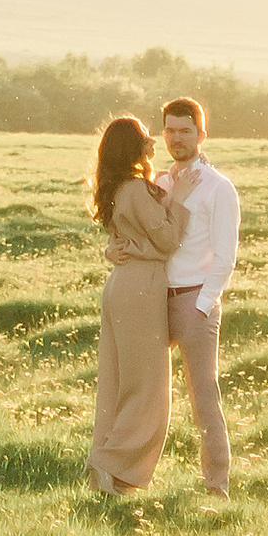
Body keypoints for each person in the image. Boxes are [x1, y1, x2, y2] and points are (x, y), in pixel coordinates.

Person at [87, 112, 188, 491]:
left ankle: (106, 464)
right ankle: (115, 465)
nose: (153, 141)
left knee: (116, 381)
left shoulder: (119, 188)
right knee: (148, 389)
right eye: (146, 136)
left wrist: (122, 248)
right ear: (133, 147)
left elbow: (126, 240)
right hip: (141, 289)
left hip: (121, 285)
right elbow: (167, 240)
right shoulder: (135, 189)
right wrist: (183, 203)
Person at [154, 94, 238, 496]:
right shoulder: (159, 182)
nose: (176, 138)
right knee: (146, 392)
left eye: (185, 130)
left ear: (201, 134)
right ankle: (131, 476)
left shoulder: (219, 189)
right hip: (154, 298)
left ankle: (216, 485)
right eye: (170, 130)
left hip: (194, 300)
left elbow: (226, 256)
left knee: (203, 396)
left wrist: (203, 306)